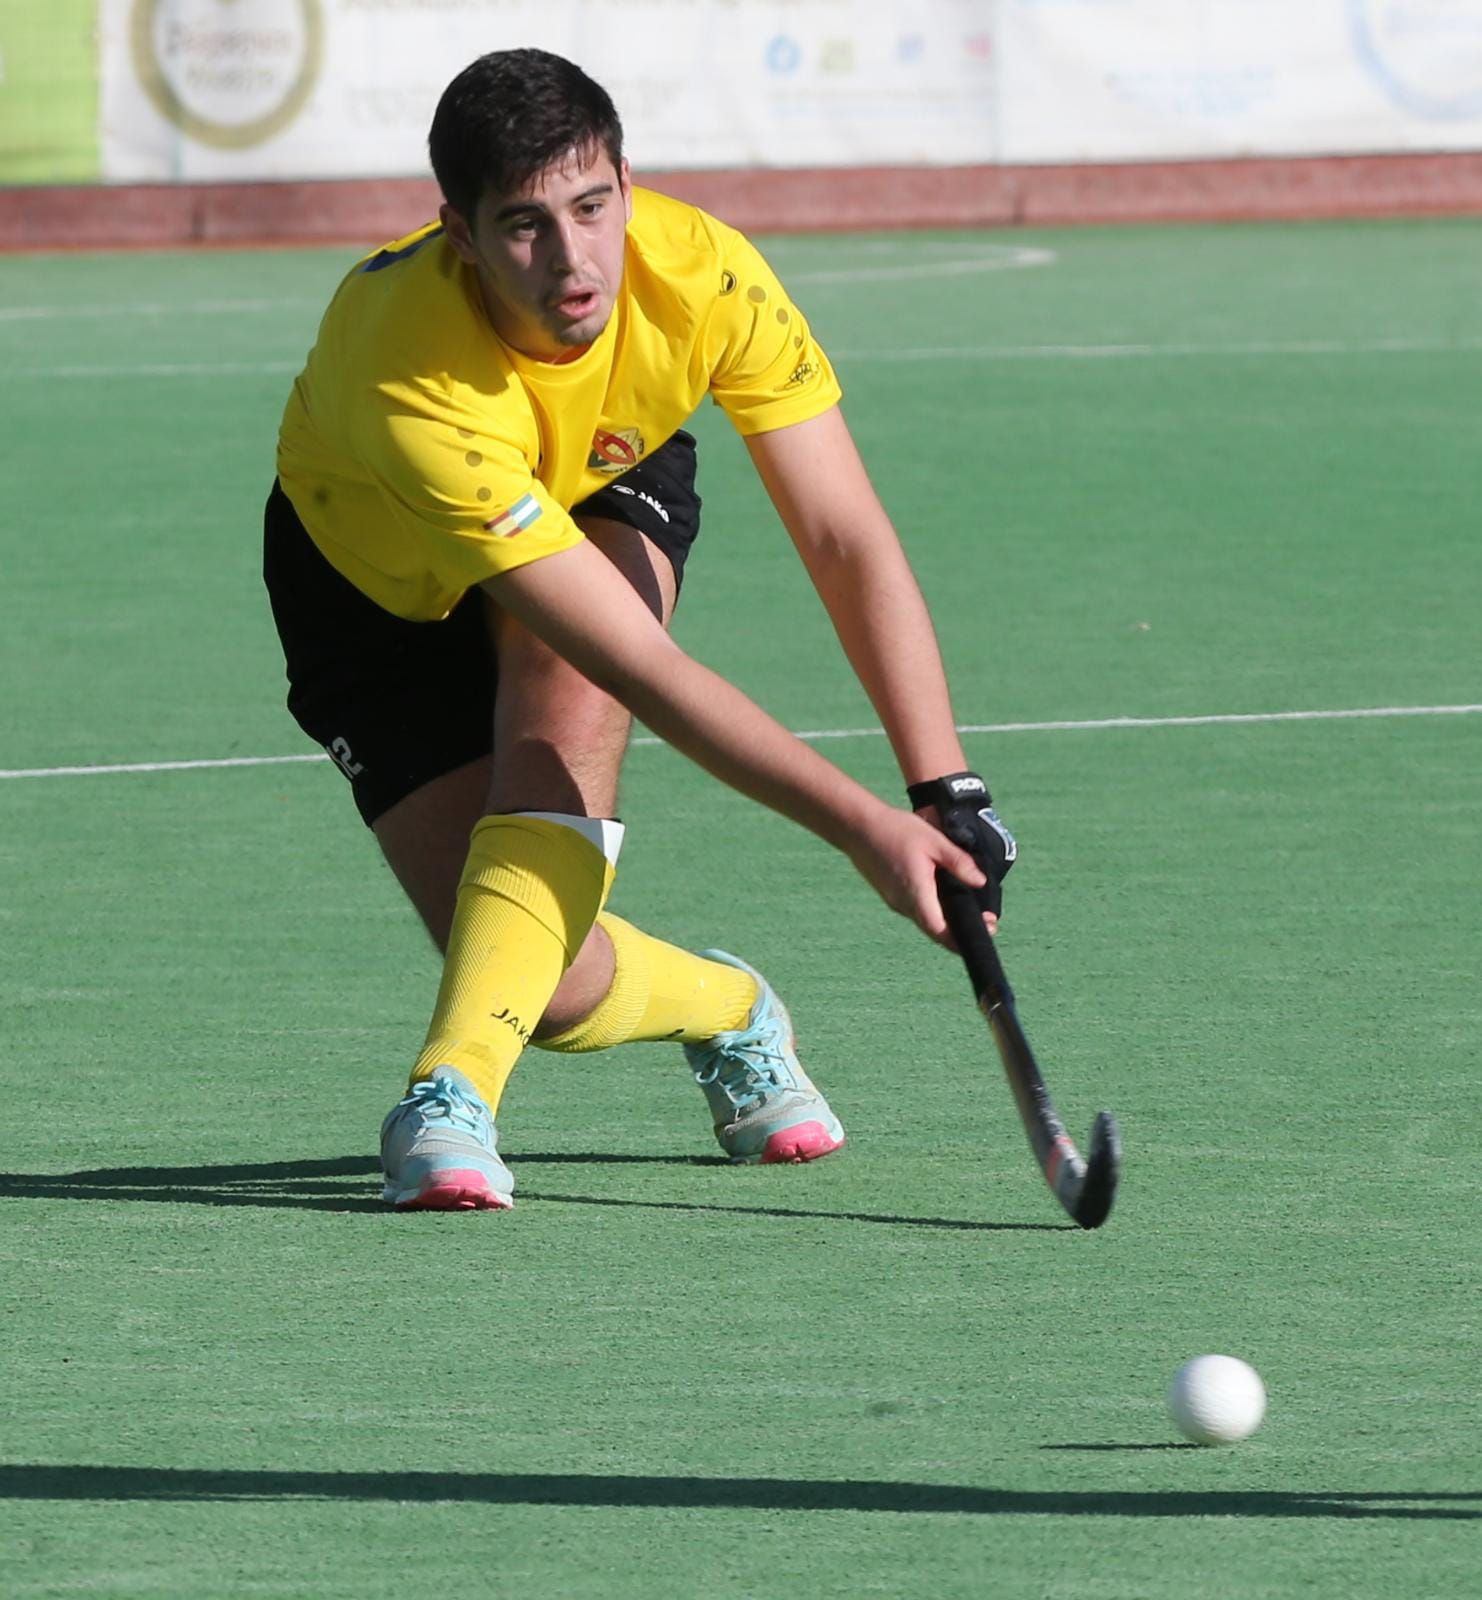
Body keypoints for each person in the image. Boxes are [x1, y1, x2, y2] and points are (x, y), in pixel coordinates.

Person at [264, 48, 1015, 1212]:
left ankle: (448, 1094)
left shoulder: (702, 273)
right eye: (522, 226)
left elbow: (843, 535)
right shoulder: (408, 368)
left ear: (625, 179)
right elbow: (645, 668)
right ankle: (731, 1006)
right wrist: (864, 829)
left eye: (592, 205)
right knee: (545, 986)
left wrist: (943, 783)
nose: (573, 261)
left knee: (558, 690)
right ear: (459, 235)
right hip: (369, 583)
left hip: (603, 479)